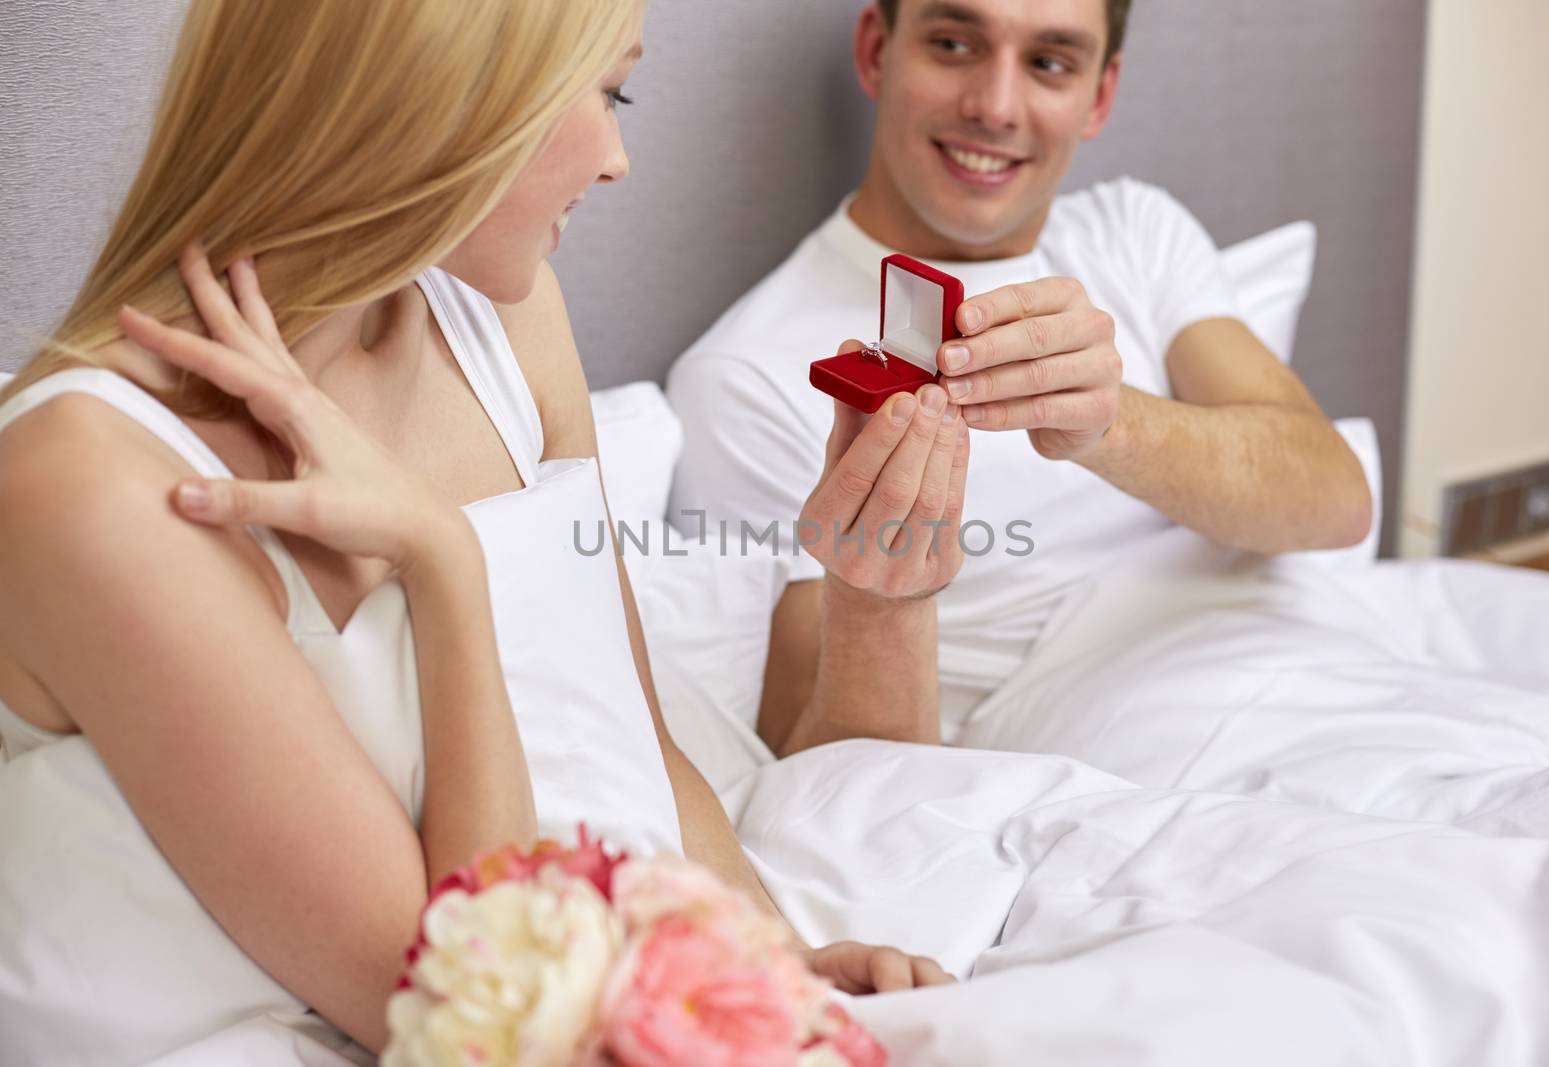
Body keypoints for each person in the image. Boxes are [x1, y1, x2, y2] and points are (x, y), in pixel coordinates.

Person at [0, 0, 949, 1058]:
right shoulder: (94, 487)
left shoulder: (504, 312)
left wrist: (761, 967)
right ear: (434, 95)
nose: (619, 157)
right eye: (600, 93)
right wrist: (446, 564)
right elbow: (459, 1012)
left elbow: (635, 740)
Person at [667, 0, 1374, 754]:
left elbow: (1336, 501)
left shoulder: (1135, 234)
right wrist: (882, 601)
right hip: (1110, 756)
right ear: (877, 51)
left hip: (1314, 691)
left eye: (1049, 63)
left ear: (1098, 96)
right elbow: (822, 768)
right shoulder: (747, 378)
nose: (995, 107)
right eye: (952, 44)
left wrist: (1112, 425)